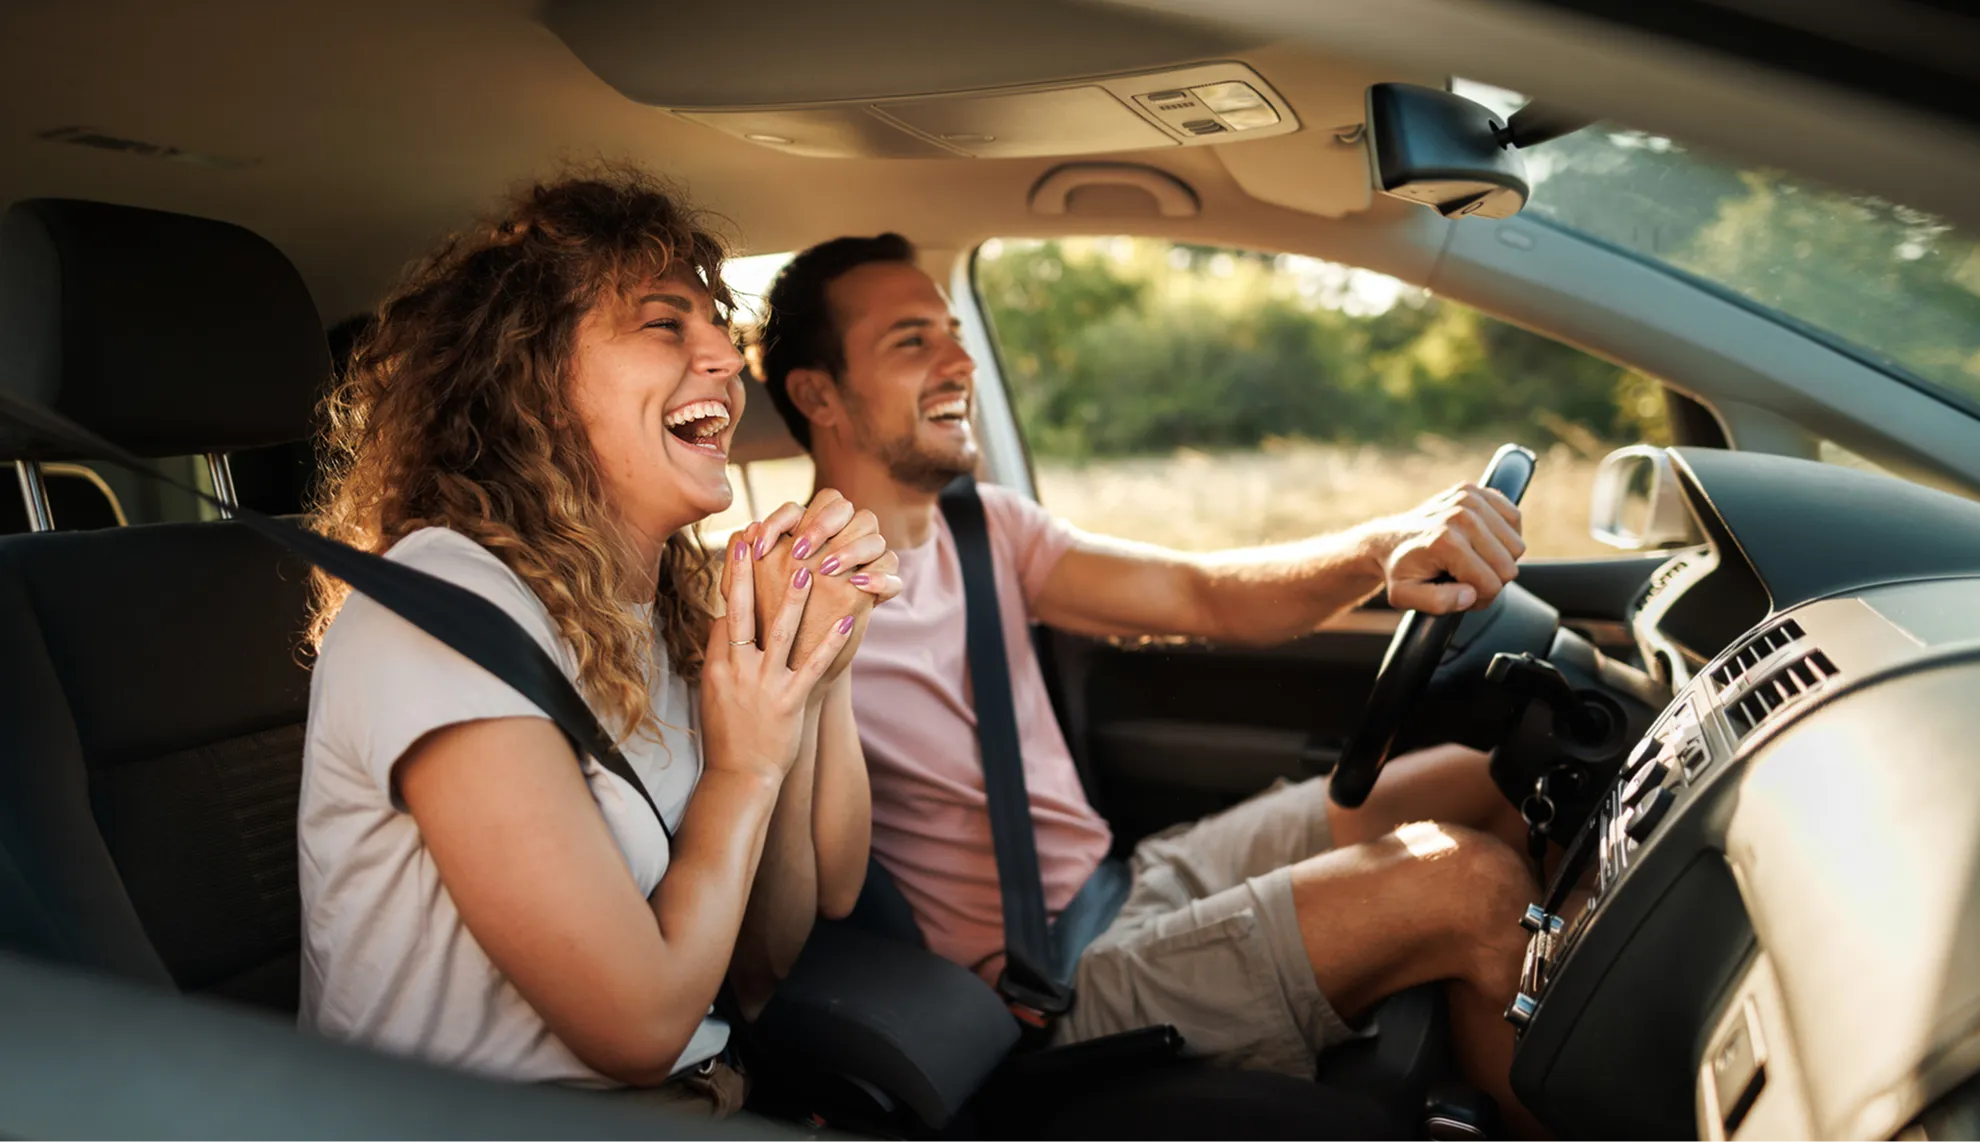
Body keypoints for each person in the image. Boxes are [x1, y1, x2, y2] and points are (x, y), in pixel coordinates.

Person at [753, 232, 1546, 1134]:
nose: (961, 360)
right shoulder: (784, 599)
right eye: (912, 340)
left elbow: (1198, 593)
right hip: (1043, 987)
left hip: (1128, 879)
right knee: (1470, 887)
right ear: (818, 393)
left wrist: (1380, 545)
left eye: (952, 330)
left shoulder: (986, 529)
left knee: (1487, 781)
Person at [295, 173, 900, 1115]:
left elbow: (763, 963)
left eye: (716, 324)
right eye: (665, 325)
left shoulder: (654, 609)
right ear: (527, 378)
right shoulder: (441, 611)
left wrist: (810, 659)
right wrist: (740, 772)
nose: (728, 359)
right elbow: (641, 1028)